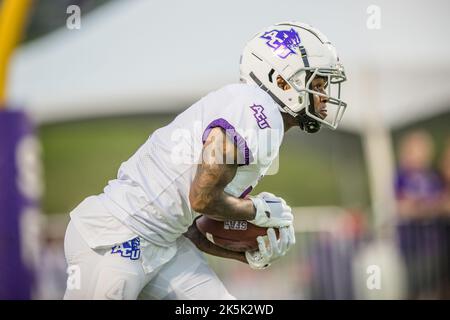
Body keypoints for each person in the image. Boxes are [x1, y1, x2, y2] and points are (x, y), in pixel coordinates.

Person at [63, 21, 348, 300]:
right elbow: (201, 197)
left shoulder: (261, 118)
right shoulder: (257, 110)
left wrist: (244, 253)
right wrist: (256, 211)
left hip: (164, 243)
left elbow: (190, 225)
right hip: (118, 236)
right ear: (281, 80)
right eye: (318, 84)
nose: (323, 97)